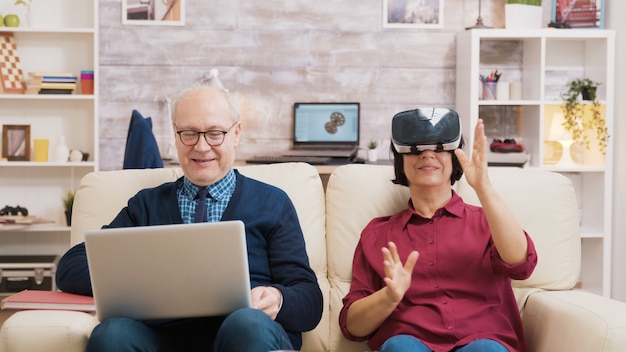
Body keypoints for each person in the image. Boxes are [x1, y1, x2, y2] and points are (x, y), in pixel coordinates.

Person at [55, 77, 323, 352]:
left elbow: (310, 301)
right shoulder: (147, 205)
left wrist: (277, 299)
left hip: (246, 334)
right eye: (190, 133)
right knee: (112, 334)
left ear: (237, 134)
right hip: (165, 338)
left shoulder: (272, 203)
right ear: (175, 135)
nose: (202, 146)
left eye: (215, 133)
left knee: (247, 324)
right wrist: (146, 278)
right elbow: (71, 266)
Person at [339, 108, 538, 352]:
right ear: (400, 161)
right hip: (408, 341)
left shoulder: (488, 221)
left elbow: (521, 265)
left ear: (455, 158)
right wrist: (388, 297)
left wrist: (484, 189)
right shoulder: (378, 234)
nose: (427, 154)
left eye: (440, 147)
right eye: (415, 149)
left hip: (483, 340)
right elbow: (353, 327)